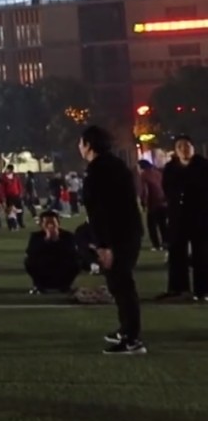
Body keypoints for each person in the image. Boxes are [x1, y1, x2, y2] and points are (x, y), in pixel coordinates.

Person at [79, 125, 147, 355]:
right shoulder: (115, 165)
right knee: (119, 284)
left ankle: (132, 339)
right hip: (127, 233)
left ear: (88, 145)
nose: (79, 147)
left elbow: (101, 212)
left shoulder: (98, 171)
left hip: (118, 237)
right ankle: (126, 329)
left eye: (81, 143)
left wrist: (105, 245)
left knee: (122, 285)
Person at [160, 135, 208, 301]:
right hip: (178, 216)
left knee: (201, 253)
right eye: (179, 147)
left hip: (200, 215)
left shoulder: (203, 166)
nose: (183, 150)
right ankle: (178, 288)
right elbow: (167, 189)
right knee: (176, 252)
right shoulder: (170, 168)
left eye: (186, 146)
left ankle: (203, 290)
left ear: (193, 147)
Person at [25, 211, 79, 294]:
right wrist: (46, 240)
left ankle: (65, 286)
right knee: (29, 261)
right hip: (43, 264)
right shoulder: (36, 236)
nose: (50, 225)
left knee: (77, 261)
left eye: (53, 222)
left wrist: (57, 240)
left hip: (62, 263)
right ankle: (39, 286)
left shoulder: (68, 235)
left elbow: (72, 252)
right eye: (46, 223)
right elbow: (31, 252)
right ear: (41, 224)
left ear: (58, 223)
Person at [137, 159, 168, 252]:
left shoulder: (144, 175)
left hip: (153, 203)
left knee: (152, 225)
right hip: (163, 202)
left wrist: (143, 202)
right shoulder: (158, 173)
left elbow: (145, 190)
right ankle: (166, 243)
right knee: (163, 224)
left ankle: (156, 245)